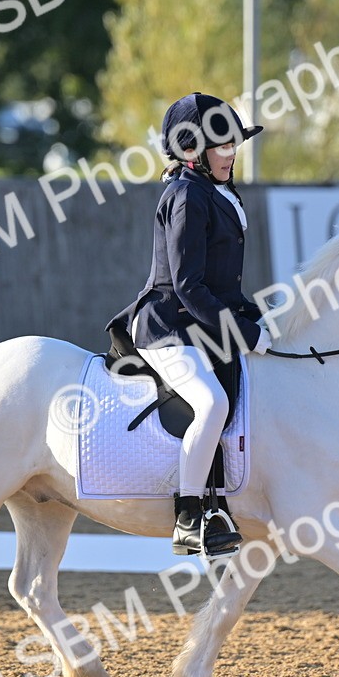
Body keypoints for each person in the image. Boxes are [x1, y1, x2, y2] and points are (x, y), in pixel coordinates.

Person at [105, 92, 271, 556]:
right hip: (167, 323)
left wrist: (257, 317)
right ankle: (189, 515)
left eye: (234, 144)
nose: (232, 153)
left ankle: (227, 500)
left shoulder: (220, 193)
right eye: (222, 146)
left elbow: (227, 287)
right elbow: (188, 286)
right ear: (193, 151)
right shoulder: (185, 196)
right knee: (212, 403)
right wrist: (242, 331)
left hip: (199, 323)